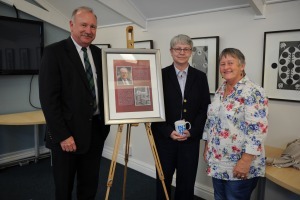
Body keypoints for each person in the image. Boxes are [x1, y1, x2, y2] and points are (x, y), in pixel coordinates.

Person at [39, 6, 110, 200]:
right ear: (71, 25)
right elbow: (48, 100)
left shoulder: (99, 54)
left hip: (95, 132)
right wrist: (63, 136)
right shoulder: (54, 53)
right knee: (64, 188)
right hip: (67, 137)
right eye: (84, 25)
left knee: (89, 186)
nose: (89, 30)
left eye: (93, 26)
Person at [202, 48, 268, 200]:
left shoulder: (253, 91)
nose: (226, 67)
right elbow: (212, 120)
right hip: (218, 160)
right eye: (222, 64)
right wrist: (207, 146)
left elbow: (258, 130)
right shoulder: (221, 89)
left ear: (242, 66)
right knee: (219, 197)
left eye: (230, 63)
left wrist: (245, 161)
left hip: (240, 162)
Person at [151, 34, 211, 200]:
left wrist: (192, 132)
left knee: (186, 183)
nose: (182, 52)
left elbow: (204, 109)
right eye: (178, 49)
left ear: (191, 52)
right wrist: (169, 131)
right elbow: (154, 110)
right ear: (171, 51)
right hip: (165, 140)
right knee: (163, 181)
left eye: (186, 49)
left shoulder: (200, 77)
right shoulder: (159, 76)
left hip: (189, 141)